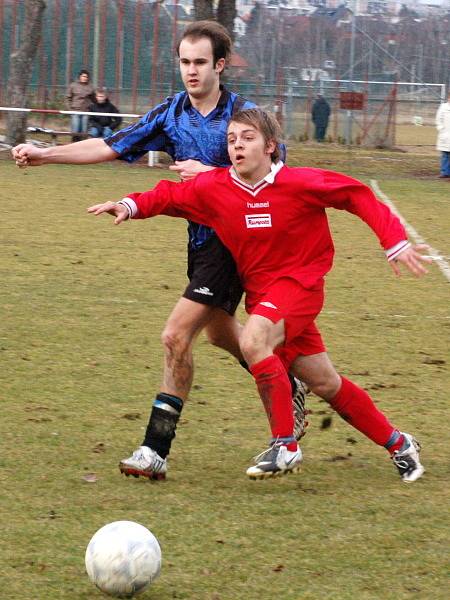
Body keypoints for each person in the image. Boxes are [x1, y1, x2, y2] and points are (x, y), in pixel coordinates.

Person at [11, 21, 307, 481]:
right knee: (221, 335)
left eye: (200, 62)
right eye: (185, 62)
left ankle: (155, 449)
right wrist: (46, 154)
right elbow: (112, 145)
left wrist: (210, 172)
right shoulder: (171, 112)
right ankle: (284, 382)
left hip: (237, 243)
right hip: (201, 243)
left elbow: (278, 174)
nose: (191, 71)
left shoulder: (244, 116)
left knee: (175, 336)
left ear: (220, 65)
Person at [89, 108, 430, 483]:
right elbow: (169, 196)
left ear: (270, 146)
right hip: (265, 296)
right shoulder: (216, 187)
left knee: (252, 339)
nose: (237, 145)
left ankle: (284, 444)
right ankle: (400, 444)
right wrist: (128, 205)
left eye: (247, 138)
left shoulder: (301, 183)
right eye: (232, 139)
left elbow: (357, 195)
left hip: (300, 287)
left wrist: (393, 240)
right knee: (325, 383)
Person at [66, 69, 95, 142]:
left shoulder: (90, 87)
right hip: (75, 110)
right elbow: (67, 98)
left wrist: (93, 108)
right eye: (83, 76)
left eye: (86, 77)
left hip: (86, 111)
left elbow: (94, 99)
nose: (85, 78)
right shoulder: (73, 85)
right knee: (75, 129)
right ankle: (74, 144)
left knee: (84, 130)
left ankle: (83, 145)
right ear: (80, 77)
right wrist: (69, 109)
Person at [435, 90, 450, 179]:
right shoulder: (443, 107)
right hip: (445, 134)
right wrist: (441, 129)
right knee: (445, 154)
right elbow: (438, 119)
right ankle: (444, 172)